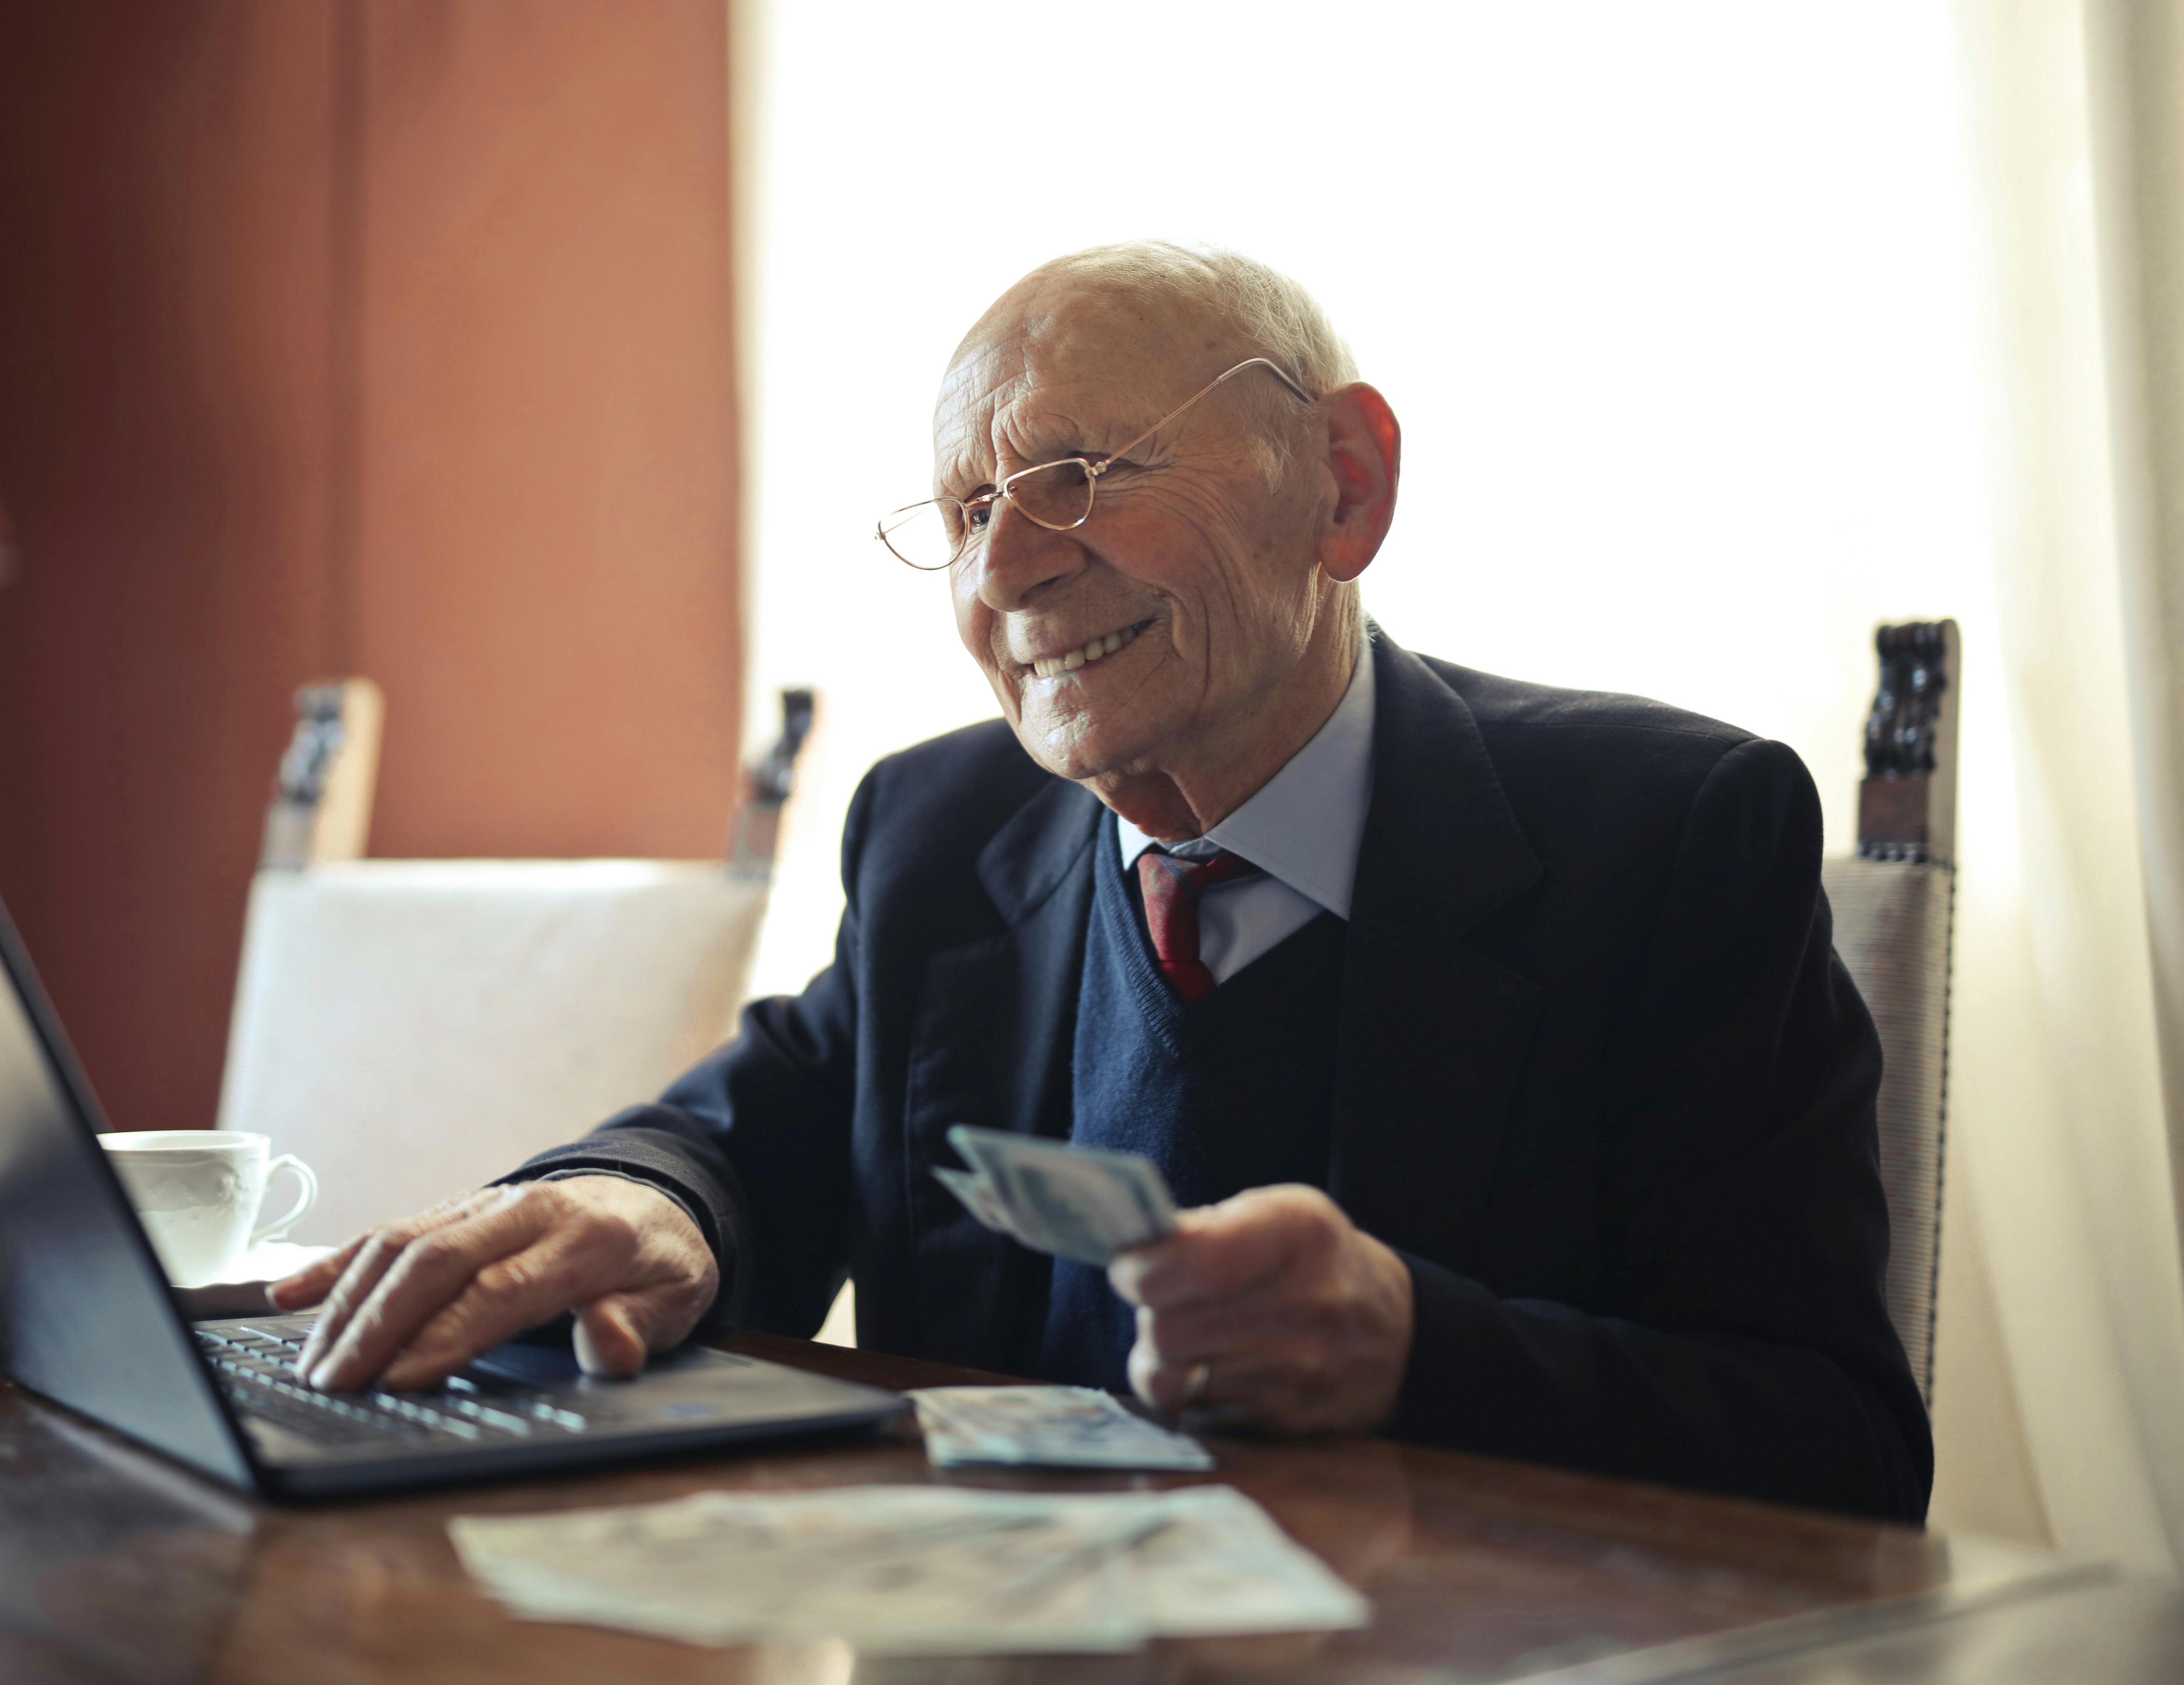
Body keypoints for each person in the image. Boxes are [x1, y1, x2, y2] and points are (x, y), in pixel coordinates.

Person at [274, 240, 1934, 1522]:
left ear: (1340, 489)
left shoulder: (1668, 836)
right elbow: (744, 1130)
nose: (1004, 568)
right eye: (968, 507)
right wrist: (645, 1206)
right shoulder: (941, 830)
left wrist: (1419, 1351)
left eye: (1075, 475)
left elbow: (1840, 1451)